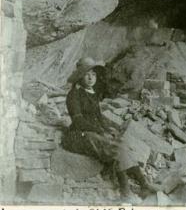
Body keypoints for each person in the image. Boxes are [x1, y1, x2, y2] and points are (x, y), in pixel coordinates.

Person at [61, 57, 159, 200]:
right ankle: (126, 192)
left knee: (120, 142)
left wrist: (109, 129)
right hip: (78, 136)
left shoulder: (92, 93)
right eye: (87, 74)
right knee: (113, 147)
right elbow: (78, 121)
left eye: (93, 74)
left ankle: (143, 184)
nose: (90, 77)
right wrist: (101, 131)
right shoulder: (73, 95)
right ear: (80, 76)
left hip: (91, 132)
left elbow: (99, 117)